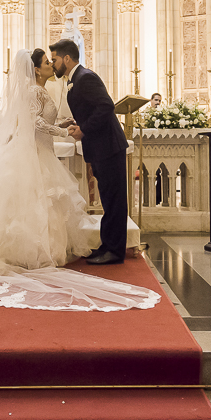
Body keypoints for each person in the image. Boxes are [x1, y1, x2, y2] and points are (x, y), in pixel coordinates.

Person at [0, 49, 158, 311]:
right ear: (37, 70)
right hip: (34, 154)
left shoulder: (44, 89)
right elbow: (34, 122)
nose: (51, 65)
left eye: (53, 60)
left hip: (43, 152)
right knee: (33, 203)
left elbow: (44, 119)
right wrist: (64, 132)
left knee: (47, 203)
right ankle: (30, 252)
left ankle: (80, 248)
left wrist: (64, 124)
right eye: (46, 62)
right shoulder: (33, 90)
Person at [51, 38, 130, 265]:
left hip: (108, 147)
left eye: (55, 59)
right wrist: (79, 123)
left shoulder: (85, 77)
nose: (53, 64)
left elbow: (106, 106)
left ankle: (115, 251)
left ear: (67, 58)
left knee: (114, 200)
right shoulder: (77, 78)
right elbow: (93, 109)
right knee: (108, 198)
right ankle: (108, 245)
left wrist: (84, 129)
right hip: (101, 147)